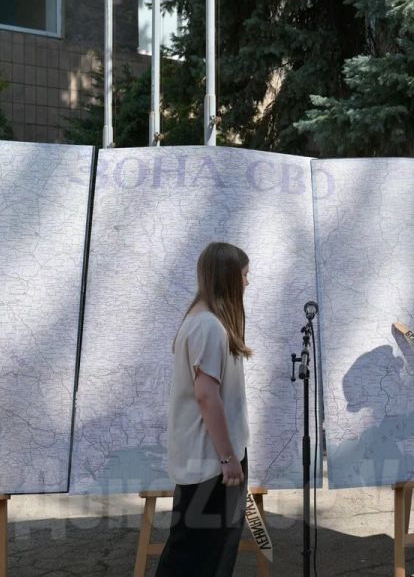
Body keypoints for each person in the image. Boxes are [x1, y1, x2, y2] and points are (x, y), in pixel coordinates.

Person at [156, 242, 252, 577]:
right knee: (201, 558)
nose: (247, 283)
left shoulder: (199, 321)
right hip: (211, 461)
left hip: (206, 458)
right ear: (228, 278)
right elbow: (206, 396)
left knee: (196, 553)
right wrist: (228, 459)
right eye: (243, 275)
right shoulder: (208, 326)